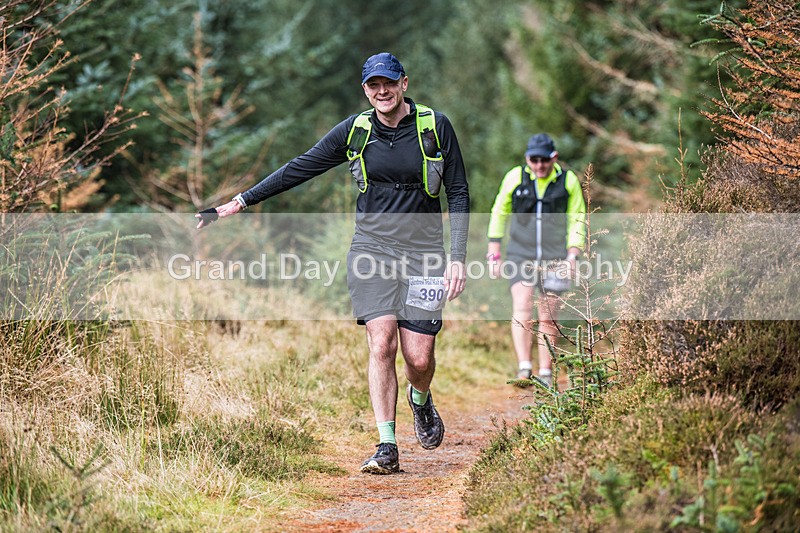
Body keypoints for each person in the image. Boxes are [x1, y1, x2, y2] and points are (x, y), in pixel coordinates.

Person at [196, 52, 469, 474]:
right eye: (373, 85)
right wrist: (239, 202)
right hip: (372, 251)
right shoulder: (356, 131)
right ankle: (386, 444)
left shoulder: (435, 127)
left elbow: (459, 192)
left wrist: (458, 258)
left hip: (426, 255)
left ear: (404, 84)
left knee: (418, 359)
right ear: (365, 90)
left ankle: (421, 398)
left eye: (389, 83)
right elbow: (298, 168)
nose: (382, 91)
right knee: (382, 344)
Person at [486, 133, 585, 387]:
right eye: (534, 160)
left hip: (555, 256)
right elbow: (499, 211)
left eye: (544, 160)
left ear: (554, 158)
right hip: (521, 253)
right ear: (527, 158)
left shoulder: (567, 181)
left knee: (548, 315)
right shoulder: (515, 177)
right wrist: (494, 251)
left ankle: (545, 373)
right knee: (522, 306)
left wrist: (572, 255)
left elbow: (578, 218)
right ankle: (523, 368)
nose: (539, 166)